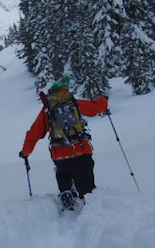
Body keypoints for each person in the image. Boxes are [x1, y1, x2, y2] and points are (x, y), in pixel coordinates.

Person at [20, 76, 108, 210]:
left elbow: (33, 133)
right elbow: (96, 107)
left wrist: (25, 152)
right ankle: (89, 205)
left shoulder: (47, 110)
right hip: (81, 150)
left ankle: (66, 194)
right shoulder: (74, 103)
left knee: (63, 175)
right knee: (86, 185)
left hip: (60, 154)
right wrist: (104, 99)